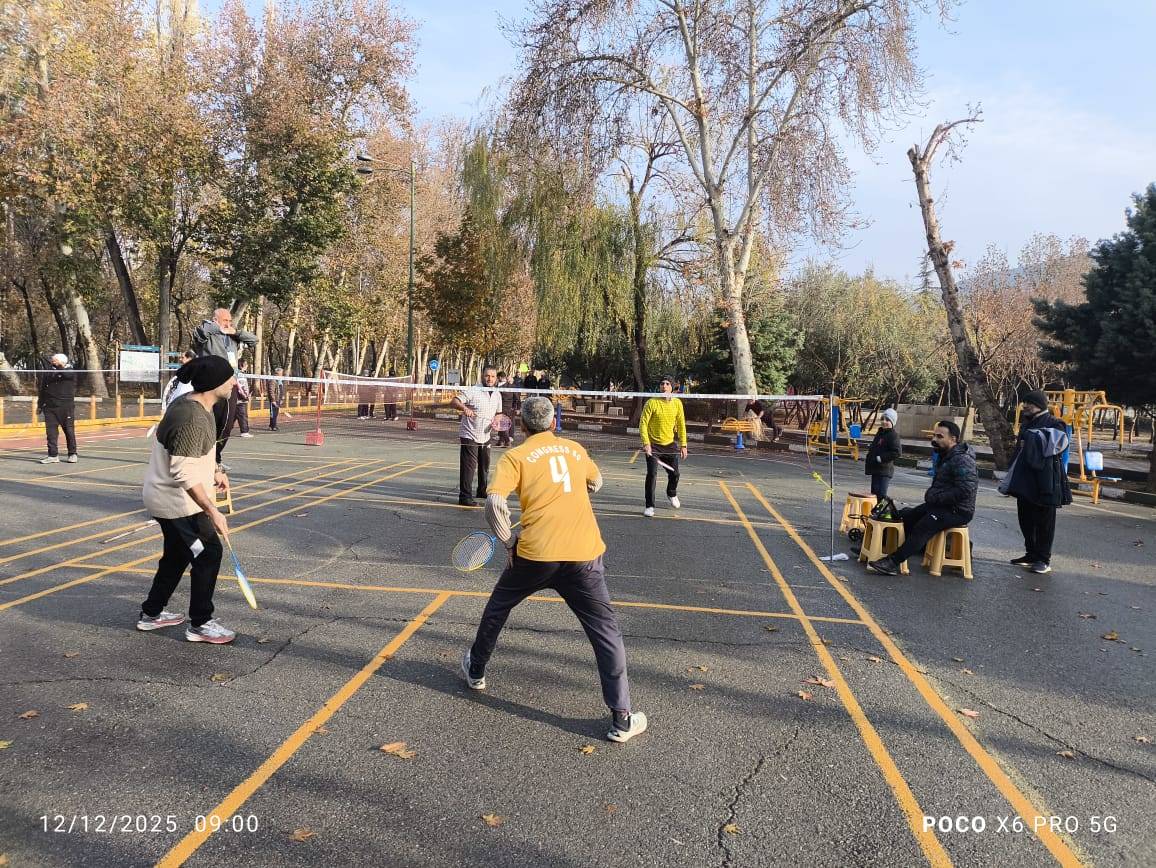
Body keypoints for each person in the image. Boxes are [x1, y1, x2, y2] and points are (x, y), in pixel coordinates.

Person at [461, 396, 648, 743]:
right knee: (606, 632)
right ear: (553, 423)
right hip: (583, 554)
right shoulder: (574, 449)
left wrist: (508, 541)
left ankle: (476, 670)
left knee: (498, 608)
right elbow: (597, 482)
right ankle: (622, 718)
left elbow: (494, 501)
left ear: (522, 425)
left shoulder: (515, 456)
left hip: (535, 554)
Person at [137, 356, 237, 644]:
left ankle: (152, 613)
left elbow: (193, 455)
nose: (233, 382)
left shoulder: (197, 406)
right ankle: (201, 624)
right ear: (214, 383)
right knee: (208, 553)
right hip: (177, 504)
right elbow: (182, 471)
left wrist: (214, 470)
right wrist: (212, 510)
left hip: (172, 499)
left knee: (178, 555)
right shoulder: (191, 417)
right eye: (229, 377)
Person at [866, 420, 977, 576]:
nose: (935, 440)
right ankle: (876, 547)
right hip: (940, 505)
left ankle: (892, 563)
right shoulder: (946, 455)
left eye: (940, 437)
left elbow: (965, 490)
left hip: (958, 510)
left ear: (953, 439)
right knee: (905, 515)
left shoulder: (962, 459)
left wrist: (936, 498)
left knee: (923, 526)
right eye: (934, 436)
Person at [999, 390, 1072, 574]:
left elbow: (1058, 445)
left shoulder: (1055, 423)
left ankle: (1043, 559)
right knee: (1025, 519)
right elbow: (1019, 452)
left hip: (1045, 481)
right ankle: (1031, 553)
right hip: (1024, 480)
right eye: (1024, 403)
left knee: (1044, 522)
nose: (1025, 406)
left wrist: (1034, 436)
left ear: (1040, 405)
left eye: (1029, 403)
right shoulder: (1027, 423)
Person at [192, 307, 256, 468]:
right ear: (215, 320)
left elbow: (254, 340)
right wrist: (218, 327)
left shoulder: (233, 337)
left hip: (230, 383)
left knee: (227, 424)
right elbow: (200, 333)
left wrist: (236, 332)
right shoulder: (207, 333)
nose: (228, 324)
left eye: (230, 321)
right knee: (208, 422)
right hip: (211, 383)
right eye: (225, 320)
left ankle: (216, 457)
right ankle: (203, 457)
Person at [450, 365, 503, 507]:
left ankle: (482, 491)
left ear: (496, 378)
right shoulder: (473, 390)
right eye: (487, 376)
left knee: (485, 465)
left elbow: (499, 413)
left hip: (486, 435)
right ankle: (465, 497)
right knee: (469, 467)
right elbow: (454, 401)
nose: (490, 379)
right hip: (470, 434)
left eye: (493, 376)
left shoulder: (497, 394)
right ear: (482, 376)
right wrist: (464, 408)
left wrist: (497, 421)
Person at [639, 375, 688, 517]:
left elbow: (681, 425)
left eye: (667, 384)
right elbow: (643, 424)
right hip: (653, 446)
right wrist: (646, 443)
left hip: (670, 445)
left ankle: (671, 493)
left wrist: (683, 445)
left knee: (675, 473)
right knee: (652, 475)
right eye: (662, 383)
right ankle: (649, 506)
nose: (664, 386)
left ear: (672, 387)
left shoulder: (677, 403)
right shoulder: (651, 403)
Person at [38, 353, 78, 464]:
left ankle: (72, 454)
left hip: (66, 407)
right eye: (52, 361)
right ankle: (53, 455)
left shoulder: (70, 371)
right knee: (51, 433)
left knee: (69, 431)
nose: (52, 363)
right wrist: (40, 405)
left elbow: (66, 375)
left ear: (61, 362)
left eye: (54, 361)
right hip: (50, 407)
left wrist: (59, 366)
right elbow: (43, 389)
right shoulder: (49, 372)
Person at [865, 408, 903, 500]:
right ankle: (876, 509)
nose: (884, 422)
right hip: (876, 469)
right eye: (882, 419)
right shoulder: (880, 433)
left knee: (881, 495)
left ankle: (887, 508)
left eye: (887, 420)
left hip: (884, 470)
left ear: (892, 422)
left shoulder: (893, 435)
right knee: (874, 495)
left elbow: (897, 452)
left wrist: (880, 458)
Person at [495, 371, 516, 447]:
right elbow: (516, 398)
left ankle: (507, 441)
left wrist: (516, 408)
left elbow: (516, 398)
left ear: (500, 377)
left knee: (503, 425)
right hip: (505, 408)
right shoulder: (511, 386)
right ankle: (501, 441)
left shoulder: (499, 387)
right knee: (501, 424)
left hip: (504, 408)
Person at [234, 359, 253, 437]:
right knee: (243, 415)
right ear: (242, 365)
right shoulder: (240, 375)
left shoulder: (239, 374)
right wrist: (246, 396)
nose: (247, 366)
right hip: (240, 400)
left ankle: (223, 432)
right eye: (246, 364)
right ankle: (244, 432)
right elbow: (241, 387)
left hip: (238, 400)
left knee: (233, 416)